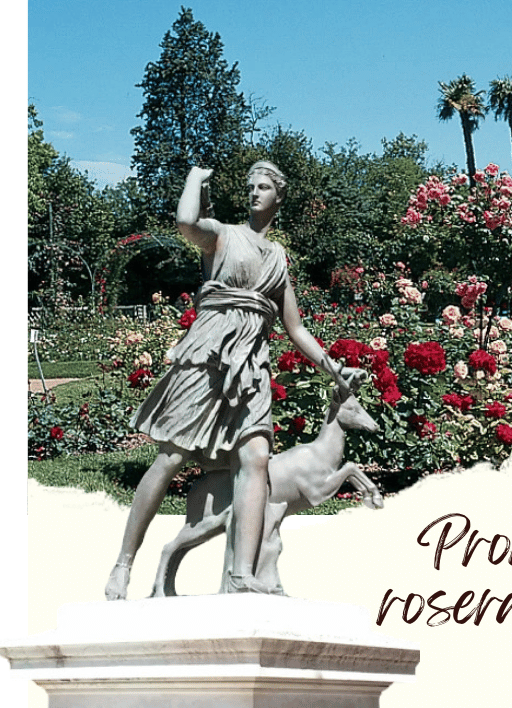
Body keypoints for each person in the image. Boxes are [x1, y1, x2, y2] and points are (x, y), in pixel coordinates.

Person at [105, 161, 355, 599]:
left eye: (263, 187)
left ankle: (242, 576)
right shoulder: (222, 234)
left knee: (256, 457)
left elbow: (295, 329)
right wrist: (195, 179)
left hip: (251, 364)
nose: (255, 193)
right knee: (171, 458)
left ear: (279, 194)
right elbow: (186, 222)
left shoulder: (277, 257)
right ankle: (123, 564)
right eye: (250, 186)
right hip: (208, 354)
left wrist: (334, 369)